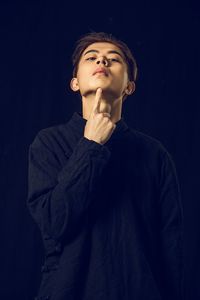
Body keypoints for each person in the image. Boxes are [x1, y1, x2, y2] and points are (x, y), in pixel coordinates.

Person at [27, 31, 184, 300]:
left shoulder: (154, 154)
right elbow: (54, 224)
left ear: (129, 86)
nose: (102, 61)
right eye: (92, 57)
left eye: (114, 59)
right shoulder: (49, 142)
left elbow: (170, 245)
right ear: (75, 82)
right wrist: (91, 145)